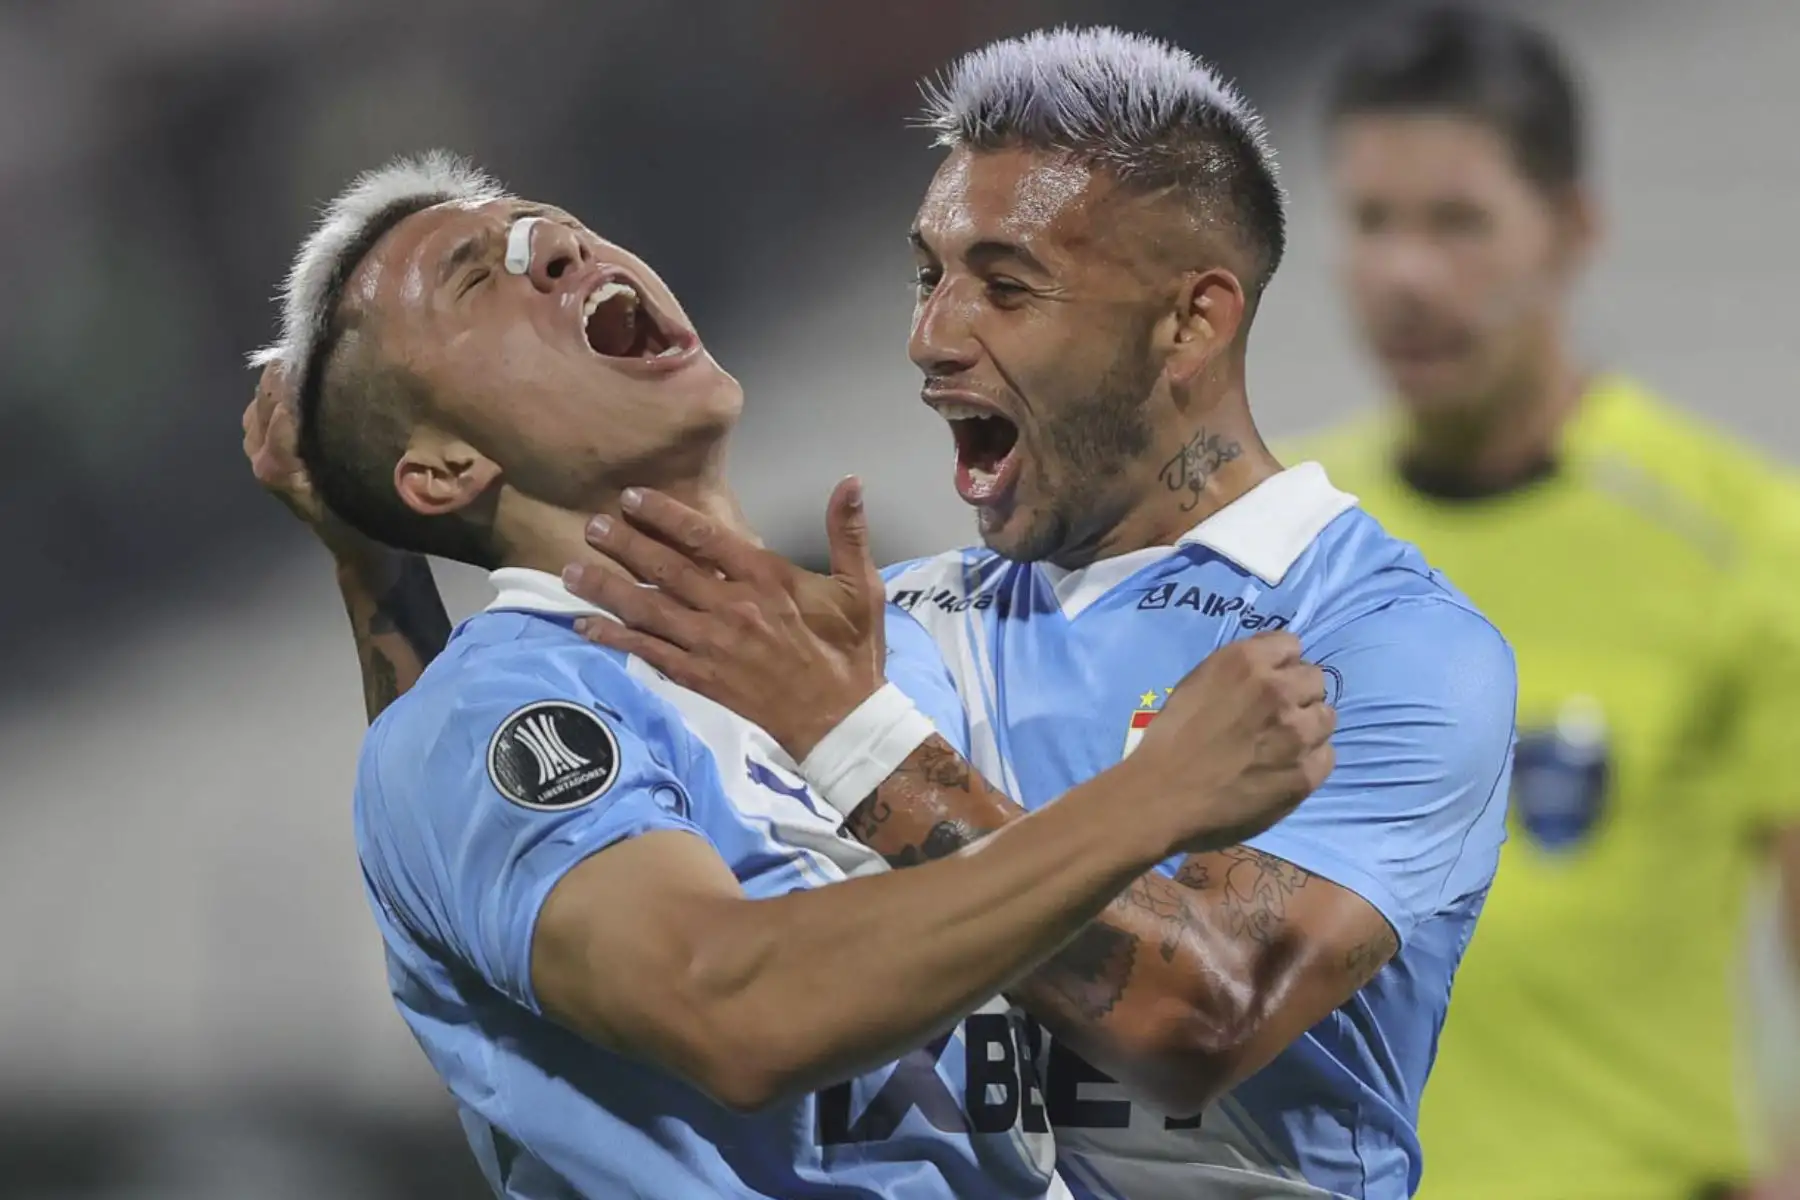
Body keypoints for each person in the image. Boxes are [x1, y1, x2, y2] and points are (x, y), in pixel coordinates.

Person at [244, 152, 1338, 1199]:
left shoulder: (916, 648)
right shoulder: (510, 713)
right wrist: (1150, 799)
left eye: (562, 231)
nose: (559, 251)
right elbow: (735, 1005)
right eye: (478, 276)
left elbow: (1184, 1020)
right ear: (442, 468)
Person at [547, 27, 1516, 1200]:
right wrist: (380, 579)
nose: (932, 336)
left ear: (1192, 323)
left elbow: (1200, 1017)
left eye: (1005, 287)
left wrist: (856, 744)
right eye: (928, 276)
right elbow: (537, 864)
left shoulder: (1383, 643)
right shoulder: (888, 633)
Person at [1286, 8, 1800, 1197]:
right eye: (1373, 222)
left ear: (1571, 230)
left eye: (1458, 222)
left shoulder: (1737, 543)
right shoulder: (1274, 547)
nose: (1407, 274)